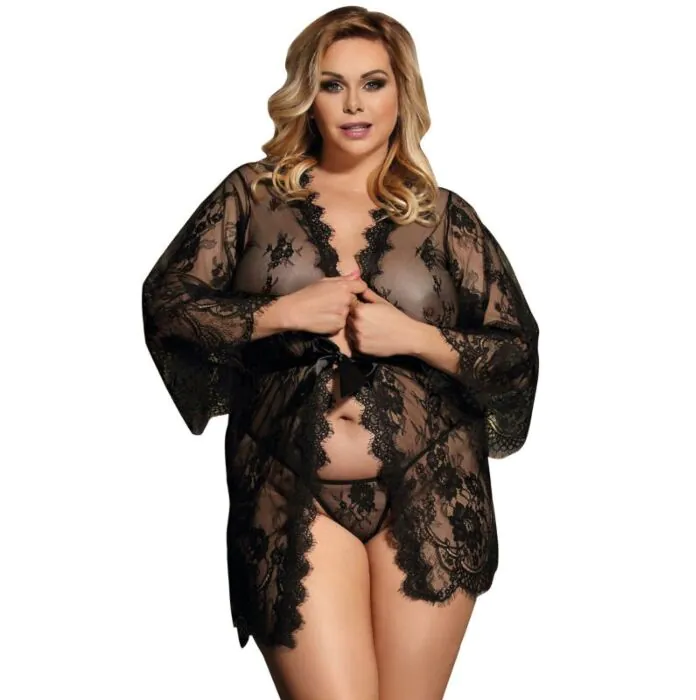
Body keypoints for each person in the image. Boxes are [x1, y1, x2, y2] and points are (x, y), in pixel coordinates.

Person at [141, 5, 539, 699]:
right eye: (332, 84)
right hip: (287, 482)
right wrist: (279, 314)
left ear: (401, 94)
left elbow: (515, 353)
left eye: (373, 83)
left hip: (434, 483)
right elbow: (169, 306)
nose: (354, 104)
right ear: (308, 95)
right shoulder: (252, 195)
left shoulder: (444, 216)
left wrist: (414, 337)